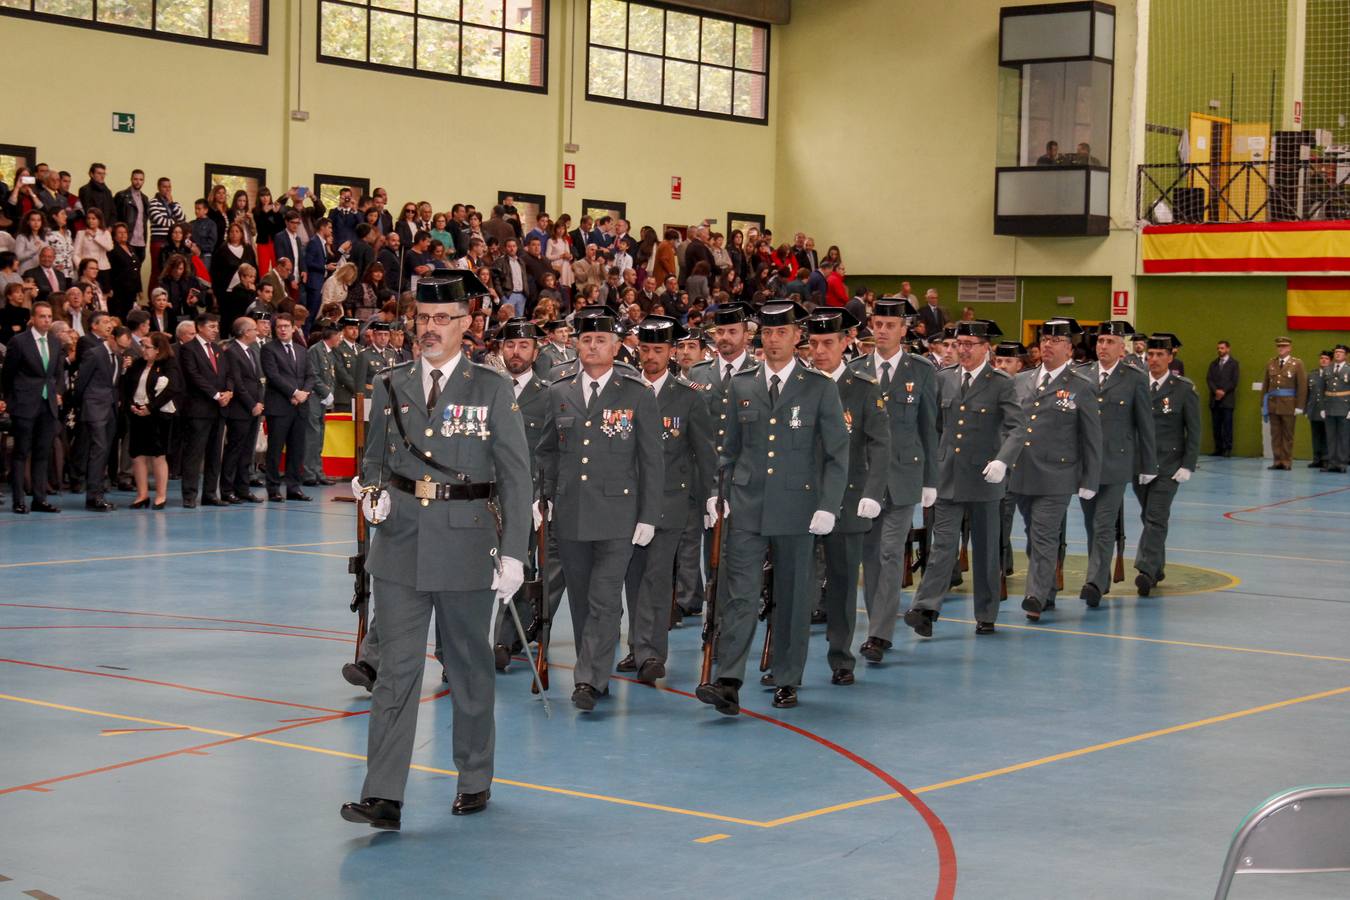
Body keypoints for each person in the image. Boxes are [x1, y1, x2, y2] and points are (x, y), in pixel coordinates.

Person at [340, 270, 531, 831]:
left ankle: (474, 775)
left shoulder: (491, 387)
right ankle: (383, 795)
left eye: (442, 319)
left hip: (467, 541)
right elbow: (373, 459)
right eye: (423, 319)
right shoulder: (390, 383)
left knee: (469, 667)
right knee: (396, 673)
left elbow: (517, 478)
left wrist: (515, 553)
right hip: (399, 543)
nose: (430, 329)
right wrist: (368, 491)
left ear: (466, 325)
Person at [694, 300, 847, 713]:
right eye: (767, 333)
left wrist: (828, 505)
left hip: (799, 507)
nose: (774, 340)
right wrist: (715, 492)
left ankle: (786, 678)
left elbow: (837, 453)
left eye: (782, 333)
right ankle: (728, 678)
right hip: (746, 505)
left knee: (793, 597)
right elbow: (726, 450)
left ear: (798, 337)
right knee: (738, 594)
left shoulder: (819, 387)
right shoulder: (741, 384)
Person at [535, 305, 663, 710]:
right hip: (570, 515)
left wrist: (648, 515)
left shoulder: (636, 393)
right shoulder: (558, 391)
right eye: (586, 339)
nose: (592, 346)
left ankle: (589, 679)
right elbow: (547, 453)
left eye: (601, 340)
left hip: (617, 517)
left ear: (616, 346)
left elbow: (651, 460)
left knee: (605, 599)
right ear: (576, 344)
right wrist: (544, 497)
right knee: (579, 599)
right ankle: (594, 669)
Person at [903, 320, 1023, 637]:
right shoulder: (944, 379)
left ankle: (986, 612)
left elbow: (1017, 428)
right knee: (942, 547)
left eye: (971, 344)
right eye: (960, 344)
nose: (964, 349)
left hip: (985, 478)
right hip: (949, 476)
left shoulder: (1001, 383)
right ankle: (926, 609)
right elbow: (933, 429)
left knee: (985, 550)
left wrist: (1003, 460)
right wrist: (929, 473)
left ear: (986, 347)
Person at [617, 315, 715, 684]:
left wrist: (710, 498)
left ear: (672, 352)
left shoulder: (688, 397)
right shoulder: (623, 391)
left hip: (669, 503)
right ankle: (638, 647)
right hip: (627, 502)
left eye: (659, 350)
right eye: (645, 349)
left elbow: (704, 454)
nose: (651, 357)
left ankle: (652, 654)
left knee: (657, 579)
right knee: (632, 578)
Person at [848, 298, 937, 660]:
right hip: (864, 480)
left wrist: (931, 480)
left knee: (888, 553)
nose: (882, 331)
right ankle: (876, 623)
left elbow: (929, 428)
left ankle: (879, 634)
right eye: (877, 324)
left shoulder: (922, 371)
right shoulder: (856, 369)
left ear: (904, 329)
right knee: (869, 556)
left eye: (889, 325)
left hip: (902, 476)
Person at [806, 308, 888, 684]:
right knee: (795, 586)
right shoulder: (800, 384)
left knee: (840, 586)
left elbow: (880, 445)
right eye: (814, 343)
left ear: (845, 344)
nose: (819, 351)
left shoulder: (863, 389)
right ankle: (784, 661)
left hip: (847, 500)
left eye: (828, 343)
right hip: (801, 501)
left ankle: (841, 657)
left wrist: (873, 492)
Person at [1009, 318, 1102, 622]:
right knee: (1031, 534)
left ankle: (1034, 595)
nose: (1047, 344)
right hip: (1022, 471)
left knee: (1044, 534)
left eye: (1055, 340)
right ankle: (1047, 590)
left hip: (1058, 475)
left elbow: (1091, 436)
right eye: (1044, 339)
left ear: (1069, 348)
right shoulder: (1021, 381)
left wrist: (1090, 478)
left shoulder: (1081, 386)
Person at [488, 318, 562, 670]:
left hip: (528, 496)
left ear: (536, 350)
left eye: (523, 346)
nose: (515, 352)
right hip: (486, 496)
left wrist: (543, 495)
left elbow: (551, 451)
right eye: (509, 346)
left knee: (522, 564)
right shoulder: (489, 388)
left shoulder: (549, 394)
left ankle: (504, 640)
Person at [1076, 321, 1157, 608]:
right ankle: (1100, 576)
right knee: (1089, 523)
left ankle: (1094, 582)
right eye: (1100, 341)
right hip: (1085, 465)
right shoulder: (1081, 374)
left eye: (1110, 341)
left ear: (1122, 348)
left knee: (1103, 523)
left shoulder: (1134, 378)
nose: (1103, 346)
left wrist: (1148, 464)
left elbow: (1145, 425)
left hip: (1116, 463)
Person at [1134, 334, 1200, 597]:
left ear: (1171, 358)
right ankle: (1157, 566)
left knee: (1156, 517)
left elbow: (1193, 430)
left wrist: (1188, 465)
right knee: (1148, 517)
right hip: (1139, 464)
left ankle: (1146, 571)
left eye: (1160, 355)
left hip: (1168, 465)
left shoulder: (1183, 389)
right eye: (1150, 355)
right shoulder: (1137, 384)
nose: (1154, 360)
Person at [1, 300, 64, 513]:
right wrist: (11, 400)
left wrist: (58, 392)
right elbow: (7, 375)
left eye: (49, 316)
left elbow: (58, 373)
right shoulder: (19, 342)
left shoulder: (55, 342)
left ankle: (39, 498)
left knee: (42, 452)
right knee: (21, 452)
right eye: (42, 316)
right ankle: (18, 500)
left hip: (48, 405)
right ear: (33, 319)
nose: (46, 320)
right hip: (24, 405)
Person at [178, 312, 231, 508]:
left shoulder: (218, 349)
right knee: (195, 452)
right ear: (200, 327)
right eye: (211, 327)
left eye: (217, 327)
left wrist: (229, 391)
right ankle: (190, 494)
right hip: (199, 408)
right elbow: (193, 375)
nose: (215, 330)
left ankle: (210, 493)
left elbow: (227, 373)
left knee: (215, 454)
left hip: (219, 409)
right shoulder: (188, 349)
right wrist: (216, 395)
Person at [122, 331, 180, 509]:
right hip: (138, 413)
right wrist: (131, 404)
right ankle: (142, 494)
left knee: (157, 455)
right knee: (137, 455)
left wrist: (150, 407)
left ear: (158, 349)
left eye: (147, 347)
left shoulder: (168, 364)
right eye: (143, 346)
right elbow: (127, 385)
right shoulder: (139, 364)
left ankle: (161, 495)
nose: (143, 350)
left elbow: (172, 389)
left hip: (158, 414)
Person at [260, 313, 314, 501]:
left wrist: (304, 393)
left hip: (300, 407)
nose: (282, 329)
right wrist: (294, 393)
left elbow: (310, 376)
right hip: (279, 406)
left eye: (286, 326)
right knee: (275, 449)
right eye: (279, 326)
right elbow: (273, 376)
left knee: (297, 448)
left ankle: (293, 487)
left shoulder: (301, 350)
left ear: (293, 328)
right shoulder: (269, 349)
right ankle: (273, 488)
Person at [74, 312, 122, 511]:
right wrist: (82, 404)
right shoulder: (94, 352)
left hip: (109, 408)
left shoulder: (116, 356)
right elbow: (81, 381)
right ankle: (94, 496)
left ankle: (97, 493)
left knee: (103, 451)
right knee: (98, 450)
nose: (109, 325)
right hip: (94, 407)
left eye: (111, 321)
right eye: (105, 322)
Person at [221, 316, 265, 504]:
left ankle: (243, 488)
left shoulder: (252, 352)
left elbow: (257, 380)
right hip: (240, 410)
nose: (257, 332)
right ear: (245, 332)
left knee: (247, 451)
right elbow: (238, 382)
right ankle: (227, 489)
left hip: (254, 408)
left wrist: (260, 403)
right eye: (254, 329)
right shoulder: (233, 352)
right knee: (235, 450)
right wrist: (251, 404)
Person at [1261, 336, 1308, 470]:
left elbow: (1302, 386)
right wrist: (1263, 404)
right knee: (1275, 434)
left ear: (1289, 348)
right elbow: (1266, 385)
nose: (1281, 349)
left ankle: (1286, 461)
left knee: (1288, 434)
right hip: (1273, 404)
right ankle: (1277, 461)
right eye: (1279, 346)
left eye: (1284, 346)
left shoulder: (1297, 364)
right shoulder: (1271, 363)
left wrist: (1300, 406)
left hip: (1289, 405)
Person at [303, 324, 340, 488]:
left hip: (322, 400)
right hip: (313, 398)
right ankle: (309, 473)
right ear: (332, 336)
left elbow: (330, 375)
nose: (339, 339)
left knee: (319, 436)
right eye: (338, 336)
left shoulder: (329, 352)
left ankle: (318, 471)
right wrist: (326, 392)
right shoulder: (315, 350)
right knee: (312, 436)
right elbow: (314, 374)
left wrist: (328, 393)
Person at [1206, 340, 1239, 456]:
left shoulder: (1234, 364)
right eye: (1218, 348)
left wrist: (1223, 391)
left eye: (1222, 348)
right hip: (1215, 400)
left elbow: (1234, 381)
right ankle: (1218, 448)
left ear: (1228, 349)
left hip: (1227, 400)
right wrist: (1216, 391)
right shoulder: (1213, 364)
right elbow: (1209, 379)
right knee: (1216, 426)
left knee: (1227, 426)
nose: (1220, 350)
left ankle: (1227, 449)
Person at [1321, 344, 1350, 473]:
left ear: (1346, 355)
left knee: (1343, 436)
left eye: (1340, 352)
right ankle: (1332, 462)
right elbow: (1322, 389)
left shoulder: (1349, 370)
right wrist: (1322, 407)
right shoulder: (1327, 369)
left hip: (1344, 406)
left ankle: (1342, 463)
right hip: (1329, 406)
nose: (1337, 354)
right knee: (1330, 436)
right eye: (1336, 352)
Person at [331, 316, 361, 411]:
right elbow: (341, 373)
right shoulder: (337, 348)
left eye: (356, 328)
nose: (354, 331)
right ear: (343, 330)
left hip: (361, 397)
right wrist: (358, 389)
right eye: (350, 328)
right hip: (344, 397)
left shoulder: (361, 348)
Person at [1307, 351, 1331, 469]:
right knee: (1315, 435)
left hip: (1328, 409)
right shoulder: (1313, 374)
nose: (1323, 360)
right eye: (1321, 358)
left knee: (1327, 435)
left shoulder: (1332, 374)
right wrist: (1306, 408)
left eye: (1326, 358)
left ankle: (1326, 459)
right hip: (1314, 409)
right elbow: (1308, 392)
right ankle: (1316, 458)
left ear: (1330, 361)